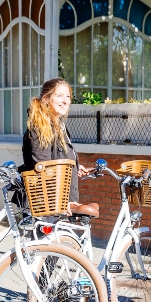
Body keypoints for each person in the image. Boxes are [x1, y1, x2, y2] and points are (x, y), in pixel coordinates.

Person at [21, 78, 89, 213]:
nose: (65, 101)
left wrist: (74, 167)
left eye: (68, 96)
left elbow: (57, 157)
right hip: (46, 204)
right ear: (46, 99)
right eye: (59, 96)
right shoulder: (40, 128)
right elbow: (44, 168)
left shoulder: (59, 127)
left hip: (58, 203)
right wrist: (63, 201)